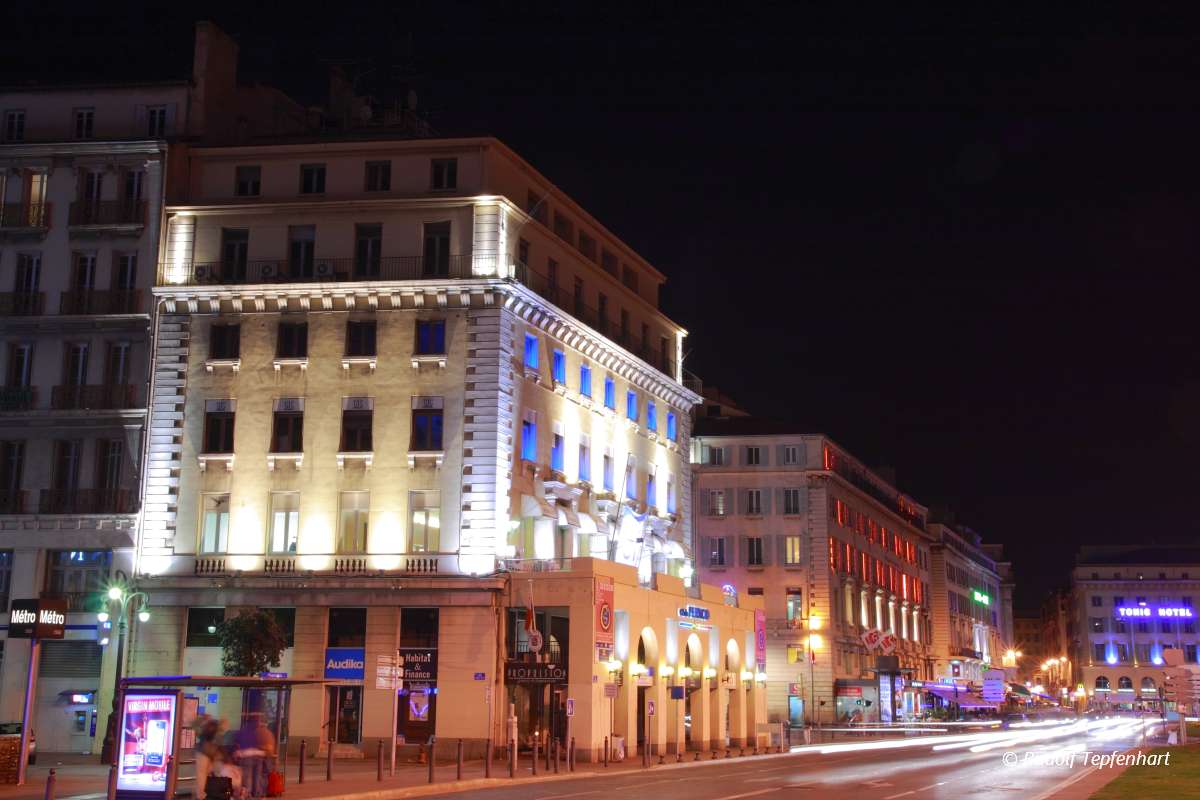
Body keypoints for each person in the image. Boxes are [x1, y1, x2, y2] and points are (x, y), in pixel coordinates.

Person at [195, 716, 222, 800]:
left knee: (201, 774)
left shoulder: (203, 744)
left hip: (203, 752)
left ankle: (201, 795)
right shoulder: (213, 747)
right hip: (208, 752)